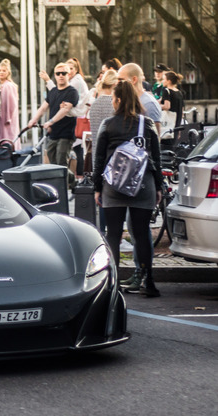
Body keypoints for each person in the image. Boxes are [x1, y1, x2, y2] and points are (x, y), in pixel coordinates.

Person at [92, 80, 163, 297]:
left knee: (113, 233)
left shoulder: (108, 124)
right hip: (143, 184)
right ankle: (148, 280)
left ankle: (113, 281)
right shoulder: (147, 123)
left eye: (113, 98)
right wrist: (159, 186)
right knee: (142, 233)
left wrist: (97, 187)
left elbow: (100, 158)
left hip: (114, 186)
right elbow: (156, 158)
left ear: (119, 100)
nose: (112, 102)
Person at [28, 62, 79, 187]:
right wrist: (33, 119)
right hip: (53, 133)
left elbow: (65, 110)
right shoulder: (53, 91)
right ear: (55, 75)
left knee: (61, 160)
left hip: (66, 133)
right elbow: (43, 108)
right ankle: (72, 181)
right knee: (52, 161)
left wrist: (50, 121)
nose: (61, 76)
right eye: (58, 73)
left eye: (64, 73)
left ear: (69, 74)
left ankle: (62, 189)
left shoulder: (72, 92)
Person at [89, 69, 118, 234]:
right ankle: (115, 234)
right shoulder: (112, 104)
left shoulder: (95, 103)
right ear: (114, 84)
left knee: (101, 199)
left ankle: (103, 231)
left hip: (96, 156)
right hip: (112, 156)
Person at [0, 59, 20, 148]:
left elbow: (12, 105)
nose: (1, 72)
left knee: (7, 141)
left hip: (6, 119)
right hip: (2, 118)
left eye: (4, 70)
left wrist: (7, 118)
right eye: (0, 70)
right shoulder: (1, 85)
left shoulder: (8, 85)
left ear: (8, 72)